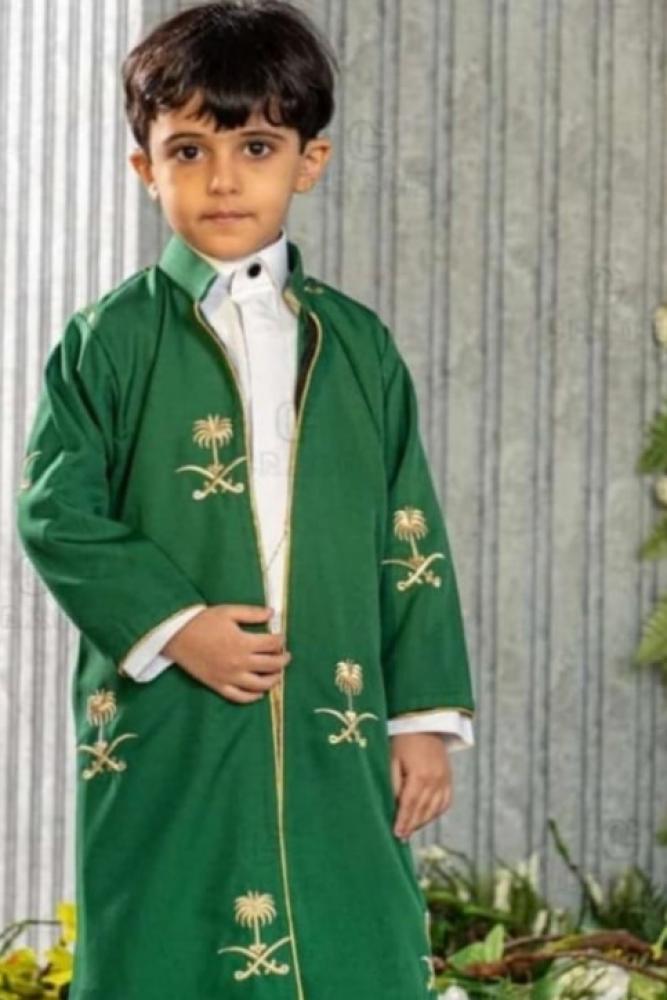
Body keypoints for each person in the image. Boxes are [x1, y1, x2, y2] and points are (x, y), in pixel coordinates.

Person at [15, 2, 476, 997]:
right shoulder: (107, 342)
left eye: (256, 146)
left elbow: (412, 534)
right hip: (171, 709)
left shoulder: (357, 346)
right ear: (144, 167)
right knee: (165, 921)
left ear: (309, 161)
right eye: (189, 150)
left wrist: (420, 718)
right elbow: (54, 510)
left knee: (347, 917)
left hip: (334, 706)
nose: (222, 179)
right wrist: (178, 627)